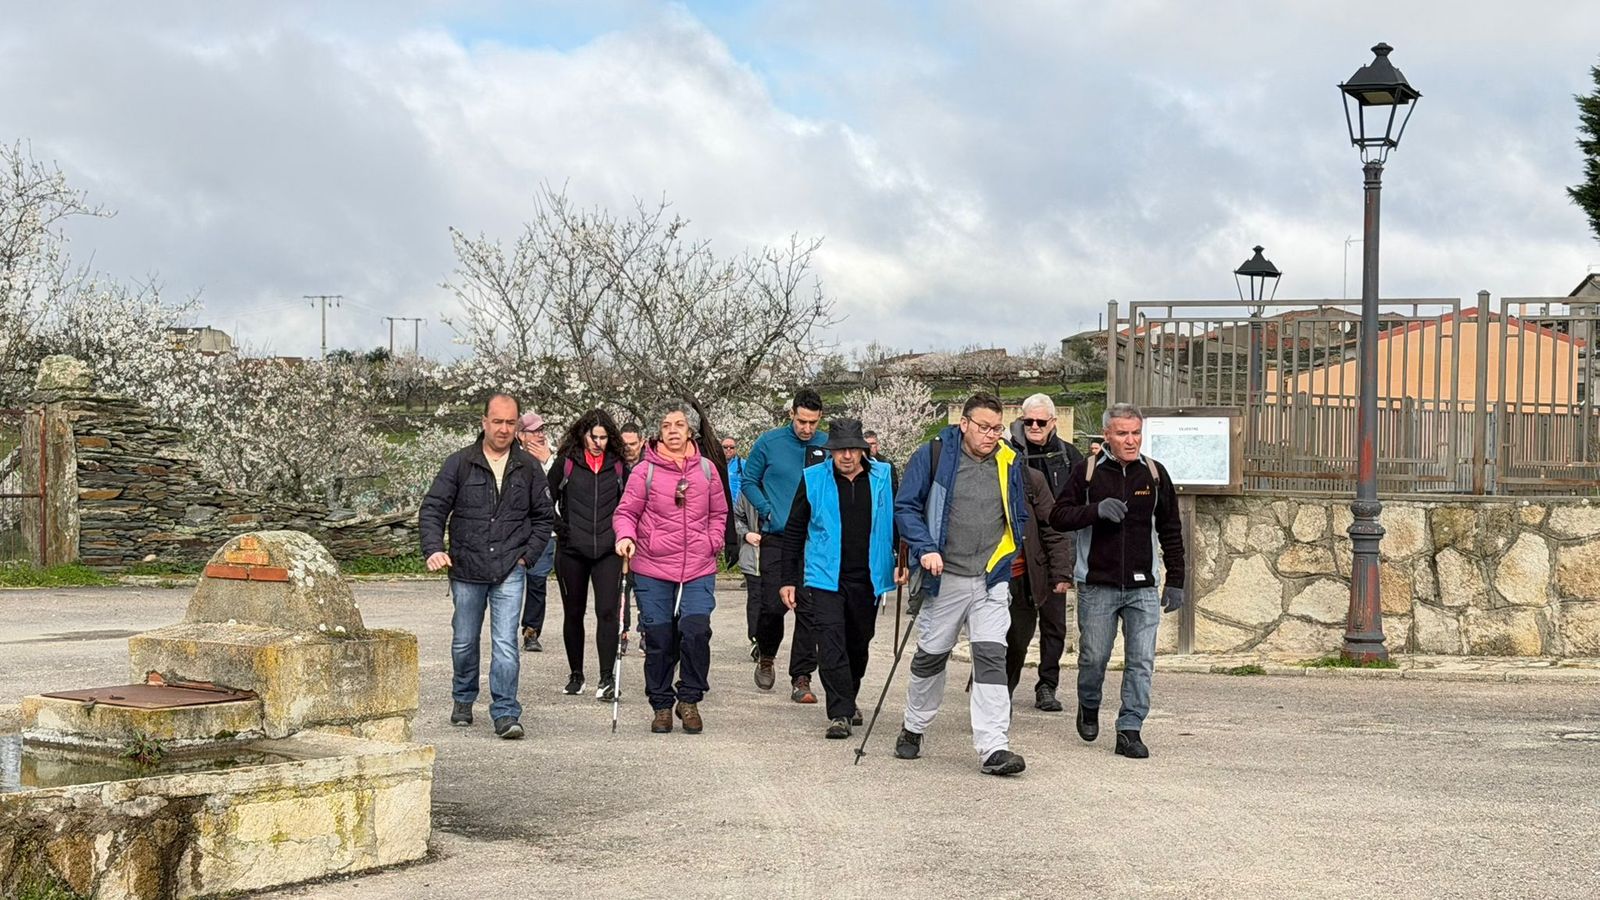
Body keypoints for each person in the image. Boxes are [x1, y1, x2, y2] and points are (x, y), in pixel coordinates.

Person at [893, 393, 1030, 776]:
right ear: (964, 423)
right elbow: (906, 507)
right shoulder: (934, 455)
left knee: (991, 658)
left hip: (990, 578)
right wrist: (924, 548)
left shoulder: (1008, 461)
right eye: (984, 427)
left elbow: (1018, 512)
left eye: (997, 428)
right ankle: (914, 726)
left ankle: (993, 747)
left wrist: (1010, 549)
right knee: (931, 657)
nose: (991, 435)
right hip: (944, 575)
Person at [1049, 402, 1186, 760]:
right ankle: (1089, 703)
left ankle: (1130, 729)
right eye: (1123, 433)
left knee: (1141, 661)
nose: (1131, 440)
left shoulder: (1155, 474)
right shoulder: (1087, 472)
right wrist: (1096, 510)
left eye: (1136, 433)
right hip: (1097, 584)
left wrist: (1176, 579)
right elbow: (1058, 516)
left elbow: (1171, 529)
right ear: (1107, 434)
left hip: (1143, 587)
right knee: (1094, 658)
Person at [420, 393, 554, 740]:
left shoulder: (528, 467)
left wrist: (527, 557)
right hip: (466, 567)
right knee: (464, 641)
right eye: (498, 421)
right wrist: (433, 548)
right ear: (484, 423)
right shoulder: (460, 463)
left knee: (506, 643)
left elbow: (543, 518)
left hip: (510, 567)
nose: (504, 428)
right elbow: (434, 507)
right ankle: (463, 697)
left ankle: (506, 712)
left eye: (511, 422)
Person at [779, 419, 906, 739]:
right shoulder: (813, 479)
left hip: (869, 577)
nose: (847, 456)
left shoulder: (882, 477)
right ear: (830, 451)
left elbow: (897, 520)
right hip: (825, 577)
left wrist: (903, 559)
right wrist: (788, 578)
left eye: (853, 449)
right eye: (840, 450)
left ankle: (847, 696)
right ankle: (839, 713)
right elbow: (794, 530)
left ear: (863, 450)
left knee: (858, 643)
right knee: (831, 644)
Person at [613, 402, 729, 734]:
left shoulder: (706, 470)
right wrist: (625, 536)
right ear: (659, 432)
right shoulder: (643, 472)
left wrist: (713, 542)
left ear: (690, 430)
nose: (673, 430)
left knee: (695, 631)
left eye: (679, 424)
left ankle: (689, 699)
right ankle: (661, 704)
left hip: (698, 567)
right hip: (652, 567)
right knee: (659, 638)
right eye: (666, 425)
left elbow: (719, 514)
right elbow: (626, 513)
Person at [742, 388, 828, 703]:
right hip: (777, 535)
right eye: (802, 421)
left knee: (809, 609)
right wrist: (766, 509)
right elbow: (748, 481)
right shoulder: (769, 442)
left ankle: (802, 677)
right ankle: (766, 653)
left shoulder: (826, 446)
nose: (807, 429)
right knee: (772, 604)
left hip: (813, 539)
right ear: (791, 414)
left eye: (813, 423)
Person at [1005, 393, 1084, 711]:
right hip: (1020, 554)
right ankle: (1002, 688)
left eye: (1041, 421)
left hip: (1056, 547)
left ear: (1053, 422)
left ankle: (1047, 685)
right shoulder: (1008, 454)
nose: (1034, 426)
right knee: (1011, 628)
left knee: (1054, 624)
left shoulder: (1069, 456)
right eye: (1029, 421)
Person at [546, 409, 629, 701]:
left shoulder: (619, 466)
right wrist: (562, 529)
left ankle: (607, 678)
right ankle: (576, 674)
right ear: (582, 434)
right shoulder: (566, 463)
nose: (598, 442)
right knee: (574, 612)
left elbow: (630, 504)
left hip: (608, 549)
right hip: (571, 550)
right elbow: (544, 500)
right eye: (593, 436)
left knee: (607, 613)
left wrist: (625, 534)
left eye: (604, 437)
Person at [517, 412, 558, 653]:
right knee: (511, 584)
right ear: (521, 435)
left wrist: (549, 460)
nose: (539, 435)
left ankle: (531, 630)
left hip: (545, 532)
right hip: (516, 531)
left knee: (537, 582)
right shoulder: (513, 459)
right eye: (533, 431)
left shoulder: (553, 458)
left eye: (541, 430)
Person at [732, 487, 764, 659]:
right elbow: (736, 517)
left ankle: (768, 640)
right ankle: (755, 640)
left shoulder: (783, 486)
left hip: (777, 555)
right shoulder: (747, 491)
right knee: (755, 599)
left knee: (773, 603)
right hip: (753, 556)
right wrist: (746, 534)